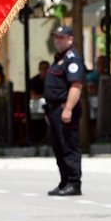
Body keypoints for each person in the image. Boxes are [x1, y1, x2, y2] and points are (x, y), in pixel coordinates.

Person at [44, 25, 85, 197]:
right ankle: (64, 181)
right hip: (55, 110)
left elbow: (76, 86)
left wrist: (67, 109)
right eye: (56, 37)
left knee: (69, 147)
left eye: (61, 37)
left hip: (65, 109)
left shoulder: (72, 59)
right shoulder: (60, 58)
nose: (57, 40)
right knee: (59, 147)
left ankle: (74, 183)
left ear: (70, 39)